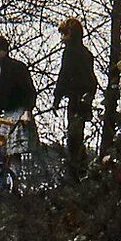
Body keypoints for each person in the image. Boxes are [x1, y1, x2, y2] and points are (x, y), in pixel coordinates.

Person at [52, 17, 98, 179]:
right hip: (82, 98)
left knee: (74, 136)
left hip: (77, 99)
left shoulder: (71, 53)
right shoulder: (86, 54)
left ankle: (78, 171)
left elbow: (63, 75)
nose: (63, 38)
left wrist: (57, 98)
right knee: (76, 134)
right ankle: (80, 170)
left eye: (65, 34)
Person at [0, 34, 38, 171]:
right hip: (6, 115)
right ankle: (2, 185)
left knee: (15, 151)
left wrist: (27, 111)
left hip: (20, 111)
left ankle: (15, 181)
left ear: (5, 51)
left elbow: (29, 91)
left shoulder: (18, 68)